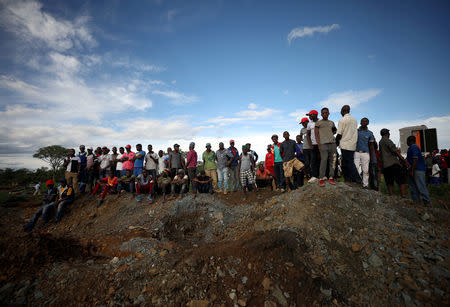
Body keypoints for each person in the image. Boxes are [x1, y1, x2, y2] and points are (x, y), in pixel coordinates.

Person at [379, 128, 409, 197]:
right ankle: (403, 195)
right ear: (387, 134)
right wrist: (404, 161)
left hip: (386, 165)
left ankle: (391, 195)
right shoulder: (388, 140)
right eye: (389, 133)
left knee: (389, 181)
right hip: (393, 163)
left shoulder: (380, 142)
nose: (389, 134)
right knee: (401, 179)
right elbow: (395, 151)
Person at [336, 105, 362, 186]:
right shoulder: (355, 120)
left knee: (349, 162)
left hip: (345, 144)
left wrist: (336, 143)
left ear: (343, 111)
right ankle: (348, 180)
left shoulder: (342, 120)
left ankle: (357, 179)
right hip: (352, 144)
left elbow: (339, 134)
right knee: (344, 163)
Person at [314, 108, 337, 187]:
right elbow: (316, 135)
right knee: (323, 161)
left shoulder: (331, 123)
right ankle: (321, 178)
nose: (325, 114)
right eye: (323, 113)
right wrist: (319, 144)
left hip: (333, 144)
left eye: (326, 113)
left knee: (333, 160)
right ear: (321, 114)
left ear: (328, 113)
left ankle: (331, 177)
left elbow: (335, 131)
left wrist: (330, 135)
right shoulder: (318, 123)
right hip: (323, 144)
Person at [406, 136, 431, 206]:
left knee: (421, 186)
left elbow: (415, 159)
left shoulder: (414, 147)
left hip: (417, 170)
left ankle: (427, 202)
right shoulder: (411, 148)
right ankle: (416, 202)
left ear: (409, 141)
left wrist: (412, 170)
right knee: (413, 187)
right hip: (414, 169)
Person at [354, 118, 375, 188]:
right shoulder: (356, 131)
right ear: (360, 122)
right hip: (356, 152)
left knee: (365, 170)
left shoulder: (370, 133)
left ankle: (365, 185)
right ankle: (356, 182)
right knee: (356, 167)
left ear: (368, 123)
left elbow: (371, 145)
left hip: (366, 153)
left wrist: (372, 156)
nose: (364, 122)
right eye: (362, 121)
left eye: (365, 121)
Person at [306, 110, 320, 183]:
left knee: (321, 160)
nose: (309, 116)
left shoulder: (321, 121)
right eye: (309, 115)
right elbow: (308, 135)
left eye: (310, 115)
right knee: (313, 161)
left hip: (321, 144)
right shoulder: (309, 124)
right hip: (313, 145)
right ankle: (314, 176)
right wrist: (310, 145)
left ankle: (322, 176)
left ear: (315, 115)